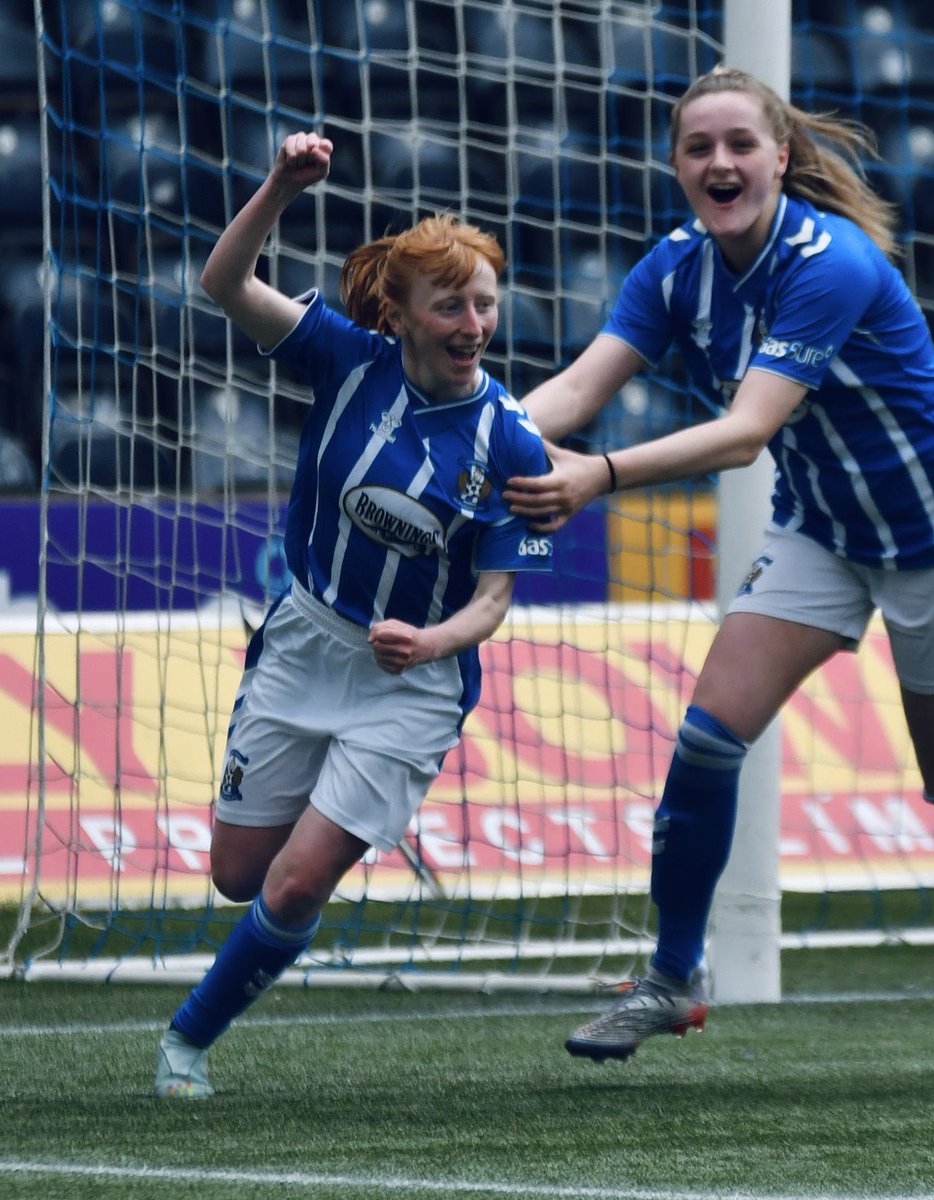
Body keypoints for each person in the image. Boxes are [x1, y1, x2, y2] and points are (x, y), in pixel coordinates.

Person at [503, 67, 934, 1062]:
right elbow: (577, 391)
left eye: (740, 145)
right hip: (823, 530)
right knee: (708, 736)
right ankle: (671, 978)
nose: (720, 162)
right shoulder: (674, 269)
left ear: (780, 157)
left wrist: (600, 475)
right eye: (699, 148)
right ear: (676, 165)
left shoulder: (829, 260)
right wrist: (475, 434)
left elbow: (746, 432)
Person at [155, 132, 554, 1098]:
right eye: (451, 305)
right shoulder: (347, 357)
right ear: (402, 314)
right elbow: (223, 283)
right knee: (238, 874)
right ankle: (290, 852)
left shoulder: (514, 442)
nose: (473, 323)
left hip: (412, 683)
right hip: (304, 642)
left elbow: (495, 600)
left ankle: (186, 1043)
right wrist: (279, 186)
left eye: (485, 303)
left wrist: (431, 641)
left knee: (296, 883)